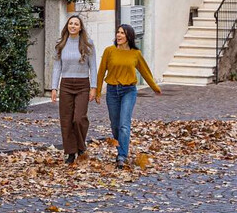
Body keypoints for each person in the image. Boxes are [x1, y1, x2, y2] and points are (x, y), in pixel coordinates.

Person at [93, 23, 161, 168]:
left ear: (129, 36)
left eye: (122, 33)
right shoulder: (109, 51)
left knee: (124, 124)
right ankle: (121, 148)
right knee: (115, 124)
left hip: (129, 91)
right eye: (118, 32)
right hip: (112, 91)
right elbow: (101, 72)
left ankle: (121, 156)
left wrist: (154, 87)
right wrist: (98, 91)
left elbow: (145, 71)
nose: (119, 35)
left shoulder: (135, 54)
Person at [50, 15, 96, 163]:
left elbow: (93, 66)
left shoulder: (88, 44)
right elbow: (57, 67)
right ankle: (70, 152)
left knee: (79, 118)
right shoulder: (61, 43)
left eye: (76, 24)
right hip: (66, 85)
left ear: (80, 27)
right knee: (66, 120)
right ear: (67, 26)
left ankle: (81, 145)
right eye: (71, 23)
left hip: (83, 84)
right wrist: (54, 87)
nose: (73, 26)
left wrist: (93, 87)